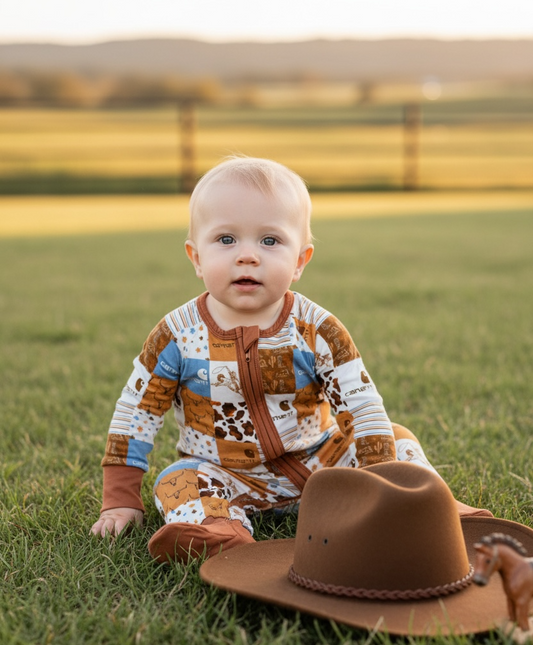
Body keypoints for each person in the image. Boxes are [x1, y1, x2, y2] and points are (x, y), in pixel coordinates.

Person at [91, 156, 492, 561]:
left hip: (323, 465)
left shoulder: (317, 330)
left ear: (300, 261)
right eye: (226, 240)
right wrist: (121, 498)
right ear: (196, 257)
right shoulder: (175, 335)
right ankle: (219, 532)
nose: (248, 256)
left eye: (270, 241)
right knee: (179, 480)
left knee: (396, 437)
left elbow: (360, 404)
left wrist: (381, 476)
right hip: (226, 474)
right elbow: (136, 412)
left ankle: (426, 510)